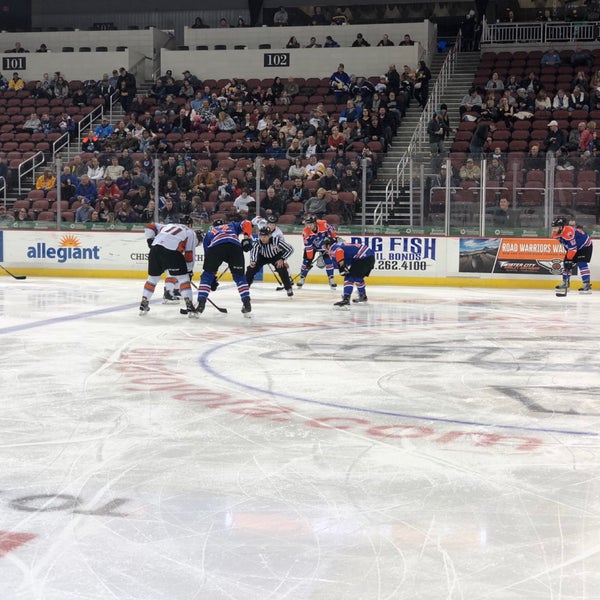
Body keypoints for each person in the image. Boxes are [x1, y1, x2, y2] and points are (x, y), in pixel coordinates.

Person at [139, 223, 201, 316]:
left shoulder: (169, 225)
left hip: (155, 249)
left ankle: (144, 301)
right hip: (172, 251)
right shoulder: (191, 234)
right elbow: (189, 254)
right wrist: (189, 271)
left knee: (152, 279)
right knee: (184, 279)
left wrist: (149, 239)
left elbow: (150, 225)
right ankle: (189, 305)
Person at [196, 218, 253, 316]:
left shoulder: (209, 233)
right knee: (239, 277)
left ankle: (201, 304)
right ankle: (246, 303)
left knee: (207, 275)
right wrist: (247, 238)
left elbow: (208, 255)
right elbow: (247, 222)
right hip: (234, 246)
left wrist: (212, 277)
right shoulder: (232, 225)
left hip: (216, 247)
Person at [323, 237, 375, 307]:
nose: (324, 248)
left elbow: (339, 251)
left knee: (349, 278)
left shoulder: (333, 248)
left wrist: (342, 267)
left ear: (328, 245)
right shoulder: (338, 245)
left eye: (325, 246)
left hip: (363, 258)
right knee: (357, 277)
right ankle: (362, 296)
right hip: (368, 257)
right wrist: (342, 266)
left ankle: (346, 299)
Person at [246, 226, 295, 297]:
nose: (262, 238)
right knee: (250, 269)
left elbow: (290, 249)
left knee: (282, 269)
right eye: (261, 236)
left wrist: (282, 258)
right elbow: (254, 252)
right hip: (262, 257)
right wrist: (253, 261)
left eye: (265, 236)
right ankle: (246, 287)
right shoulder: (257, 243)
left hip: (275, 257)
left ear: (269, 236)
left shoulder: (276, 241)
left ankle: (288, 288)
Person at [552, 217, 593, 293]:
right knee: (566, 264)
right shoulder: (555, 233)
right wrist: (568, 260)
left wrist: (569, 259)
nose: (554, 229)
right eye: (553, 227)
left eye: (556, 227)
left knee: (582, 263)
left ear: (561, 227)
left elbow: (573, 248)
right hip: (574, 247)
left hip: (585, 246)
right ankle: (565, 283)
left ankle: (586, 284)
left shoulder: (569, 232)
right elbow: (566, 244)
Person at [296, 215, 338, 289]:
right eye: (307, 224)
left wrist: (334, 238)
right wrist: (309, 260)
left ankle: (331, 279)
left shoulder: (323, 224)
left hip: (324, 245)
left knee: (329, 261)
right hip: (313, 247)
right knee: (306, 262)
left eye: (311, 224)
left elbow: (332, 229)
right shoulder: (305, 232)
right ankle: (302, 278)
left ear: (315, 223)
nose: (309, 226)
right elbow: (308, 247)